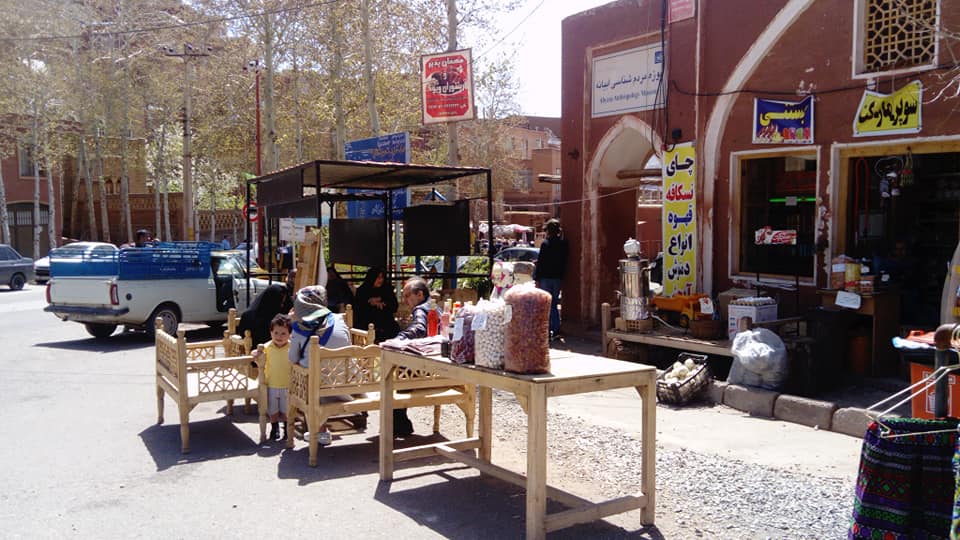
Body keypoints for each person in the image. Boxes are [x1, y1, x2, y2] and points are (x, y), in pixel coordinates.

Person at [287, 285, 352, 446]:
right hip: (347, 382)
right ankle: (321, 431)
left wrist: (292, 321)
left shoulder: (299, 328)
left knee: (304, 373)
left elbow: (292, 358)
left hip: (317, 387)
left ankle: (319, 431)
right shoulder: (339, 320)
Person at [388, 276, 433, 437]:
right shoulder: (434, 306)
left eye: (407, 295)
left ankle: (399, 424)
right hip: (436, 362)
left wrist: (398, 338)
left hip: (426, 368)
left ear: (420, 294)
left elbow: (419, 329)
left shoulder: (420, 309)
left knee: (394, 375)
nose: (405, 300)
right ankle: (401, 424)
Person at [251, 314, 292, 441]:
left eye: (283, 333)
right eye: (276, 333)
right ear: (271, 333)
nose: (279, 336)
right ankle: (274, 428)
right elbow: (256, 354)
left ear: (290, 334)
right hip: (271, 384)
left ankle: (287, 429)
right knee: (272, 410)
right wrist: (255, 353)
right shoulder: (267, 347)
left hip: (287, 385)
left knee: (286, 411)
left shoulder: (291, 347)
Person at [534, 219, 568, 340]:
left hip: (546, 278)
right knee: (554, 304)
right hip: (557, 279)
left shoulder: (545, 244)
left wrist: (536, 278)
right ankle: (556, 329)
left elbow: (541, 262)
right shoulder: (563, 244)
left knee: (546, 304)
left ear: (548, 231)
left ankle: (547, 330)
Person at [354, 267, 400, 340]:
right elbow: (358, 309)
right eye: (378, 277)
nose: (380, 280)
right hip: (367, 323)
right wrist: (369, 303)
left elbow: (394, 306)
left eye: (382, 277)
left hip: (386, 323)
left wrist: (383, 304)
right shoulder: (362, 291)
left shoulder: (387, 289)